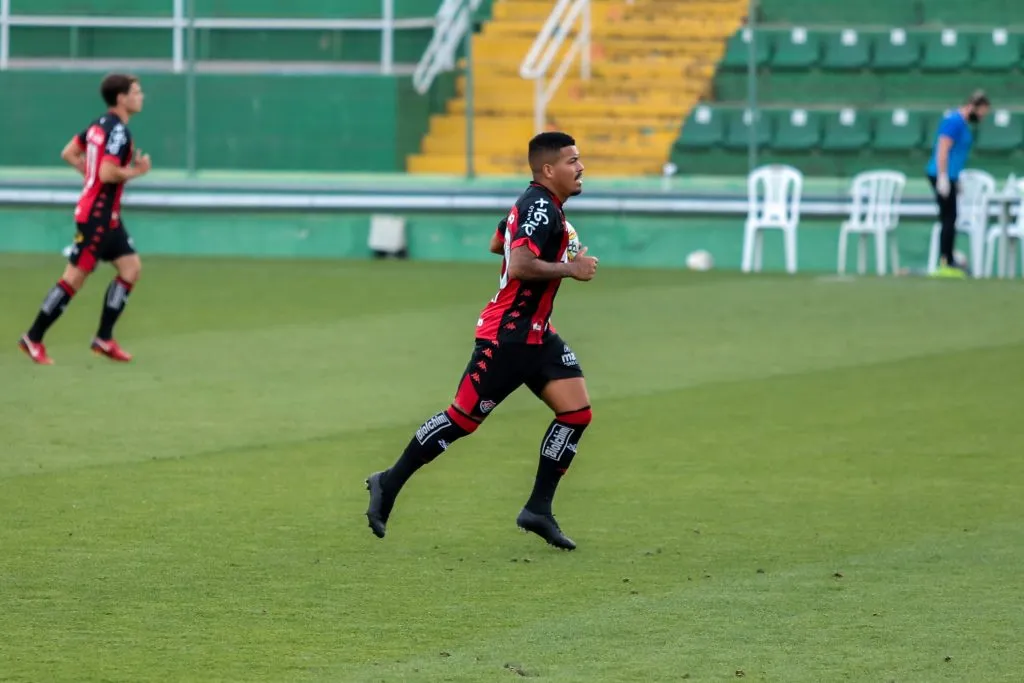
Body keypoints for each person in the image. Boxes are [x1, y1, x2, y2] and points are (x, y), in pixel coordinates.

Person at [365, 132, 599, 551]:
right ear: (549, 170)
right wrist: (570, 268)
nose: (580, 167)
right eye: (572, 161)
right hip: (506, 338)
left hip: (537, 336)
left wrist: (553, 250)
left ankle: (538, 510)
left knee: (576, 412)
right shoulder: (540, 207)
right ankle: (388, 481)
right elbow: (522, 263)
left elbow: (499, 244)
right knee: (461, 421)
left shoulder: (539, 205)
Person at [18, 73, 152, 365]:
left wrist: (89, 175)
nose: (141, 97)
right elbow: (106, 173)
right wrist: (136, 172)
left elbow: (69, 152)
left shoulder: (98, 125)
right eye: (137, 92)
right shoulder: (118, 132)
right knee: (74, 278)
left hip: (106, 215)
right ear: (121, 98)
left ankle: (104, 337)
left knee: (131, 268)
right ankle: (34, 337)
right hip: (98, 216)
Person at [926, 89, 990, 278]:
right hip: (940, 174)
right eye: (981, 113)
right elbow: (943, 149)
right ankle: (946, 260)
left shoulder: (962, 123)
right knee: (949, 217)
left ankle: (948, 258)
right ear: (972, 106)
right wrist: (943, 177)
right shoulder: (954, 121)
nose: (981, 117)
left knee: (950, 217)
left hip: (950, 176)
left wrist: (955, 178)